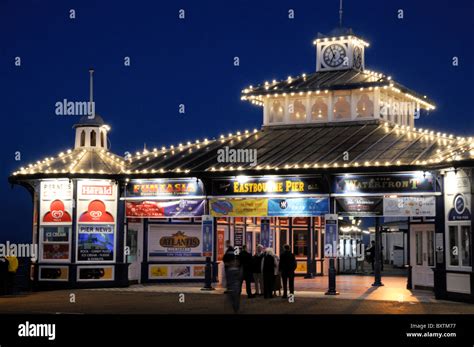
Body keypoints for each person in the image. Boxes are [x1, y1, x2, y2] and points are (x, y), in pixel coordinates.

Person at [222, 241, 241, 312]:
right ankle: (236, 307)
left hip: (230, 270)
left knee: (232, 293)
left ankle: (234, 306)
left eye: (226, 244)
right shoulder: (234, 250)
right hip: (234, 271)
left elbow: (224, 259)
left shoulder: (229, 251)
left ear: (228, 244)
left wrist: (228, 264)